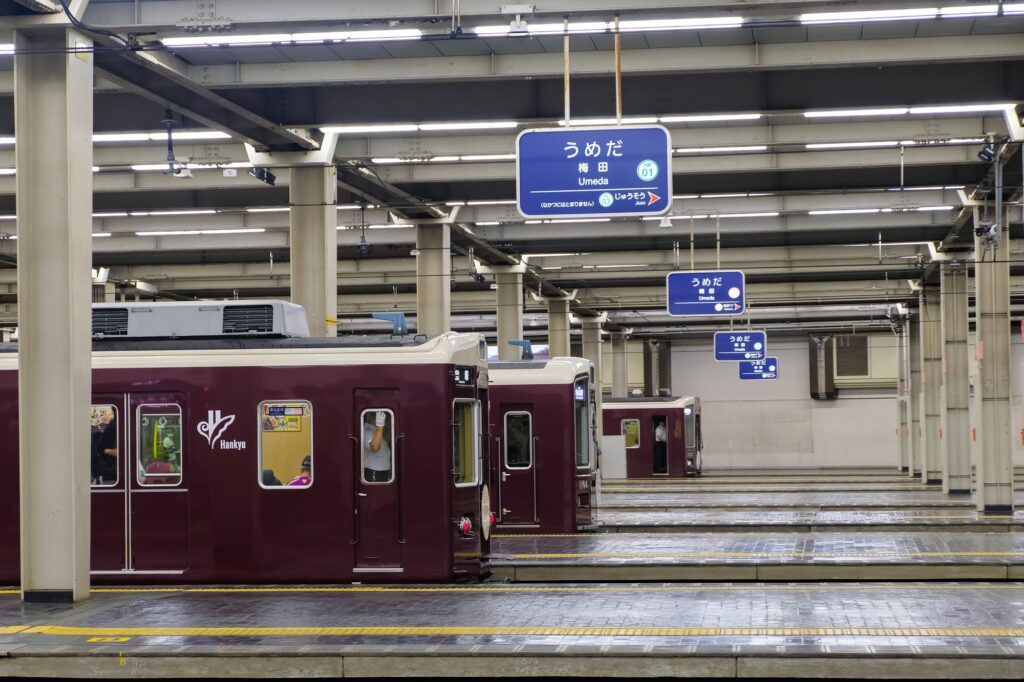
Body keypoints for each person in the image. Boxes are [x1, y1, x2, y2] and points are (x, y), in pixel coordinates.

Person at [363, 410, 392, 483]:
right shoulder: (367, 432)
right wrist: (379, 426)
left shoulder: (375, 432)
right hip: (374, 473)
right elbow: (375, 447)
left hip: (380, 472)